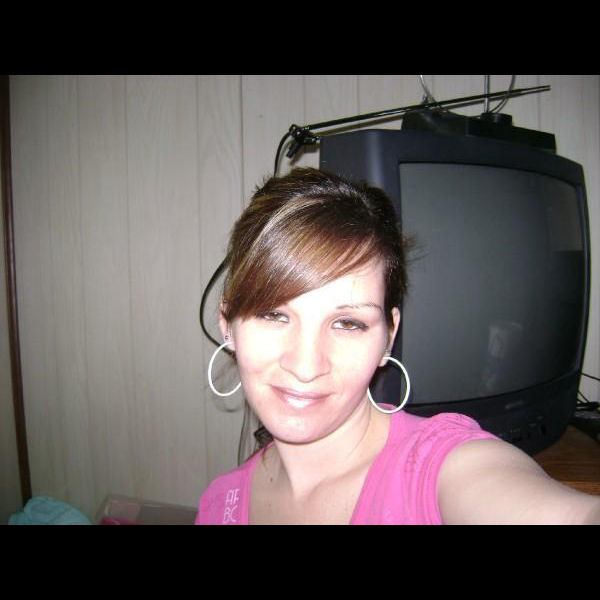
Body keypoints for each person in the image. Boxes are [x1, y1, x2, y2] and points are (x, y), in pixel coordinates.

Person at [196, 167, 600, 525]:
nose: (305, 366)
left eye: (348, 323)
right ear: (227, 323)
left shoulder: (439, 469)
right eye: (273, 314)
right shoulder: (219, 503)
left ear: (388, 336)